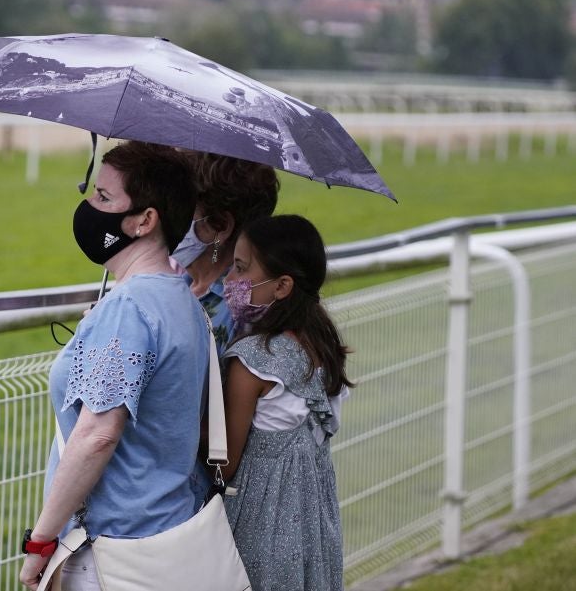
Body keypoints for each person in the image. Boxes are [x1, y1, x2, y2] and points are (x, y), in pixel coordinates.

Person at [19, 141, 209, 591]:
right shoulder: (182, 297)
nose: (88, 208)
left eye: (104, 199)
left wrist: (41, 543)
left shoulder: (129, 308)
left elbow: (97, 435)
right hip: (170, 535)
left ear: (144, 221)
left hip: (115, 553)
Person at [220, 214, 351, 591]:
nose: (230, 282)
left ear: (282, 286)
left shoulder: (252, 362)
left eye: (241, 269)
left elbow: (224, 463)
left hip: (259, 527)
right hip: (313, 528)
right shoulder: (320, 349)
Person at [171, 152, 279, 356]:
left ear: (221, 226)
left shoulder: (244, 309)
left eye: (180, 211)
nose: (167, 220)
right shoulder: (180, 282)